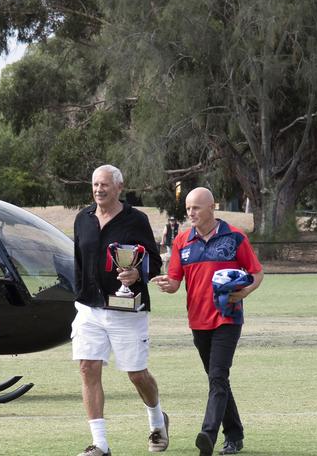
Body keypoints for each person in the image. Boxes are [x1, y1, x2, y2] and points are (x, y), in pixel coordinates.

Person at [152, 187, 264, 456]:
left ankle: (208, 435)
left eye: (196, 208)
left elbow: (257, 273)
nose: (190, 212)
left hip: (228, 318)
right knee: (219, 381)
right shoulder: (181, 241)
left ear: (212, 207)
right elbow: (177, 281)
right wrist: (168, 285)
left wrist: (245, 291)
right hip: (198, 321)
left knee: (217, 377)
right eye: (188, 208)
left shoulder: (235, 237)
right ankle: (235, 435)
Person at [72, 164, 168, 456]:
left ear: (119, 188)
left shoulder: (135, 219)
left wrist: (137, 275)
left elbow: (153, 260)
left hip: (127, 310)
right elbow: (78, 259)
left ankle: (157, 420)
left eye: (104, 185)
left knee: (137, 374)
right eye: (95, 185)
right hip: (89, 308)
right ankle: (99, 444)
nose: (99, 189)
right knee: (88, 367)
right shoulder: (83, 219)